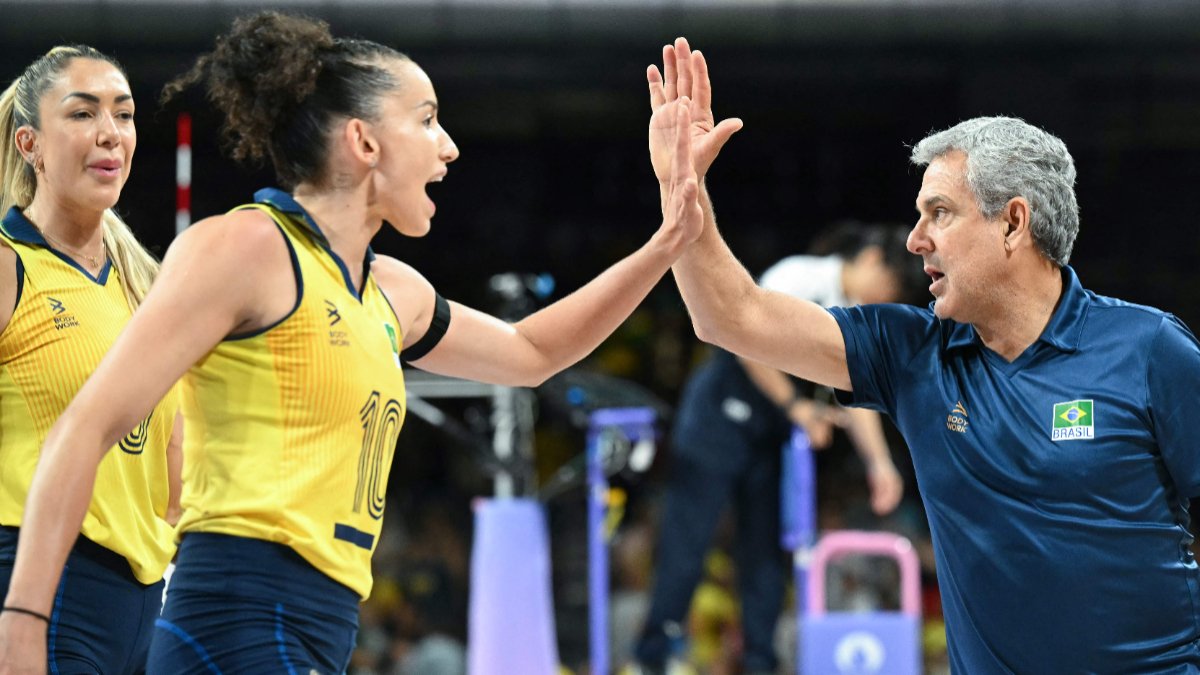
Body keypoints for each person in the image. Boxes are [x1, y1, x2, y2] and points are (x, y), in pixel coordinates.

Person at [0, 12, 707, 674]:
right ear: (364, 142)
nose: (449, 146)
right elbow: (86, 425)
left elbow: (531, 353)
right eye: (427, 120)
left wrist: (667, 240)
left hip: (325, 620)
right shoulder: (246, 246)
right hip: (236, 615)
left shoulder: (391, 288)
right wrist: (24, 617)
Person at [649, 38, 1200, 672]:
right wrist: (681, 191)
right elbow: (730, 316)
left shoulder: (1149, 348)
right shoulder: (910, 352)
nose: (915, 241)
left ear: (1013, 224)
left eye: (939, 213)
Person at [632, 222, 914, 675]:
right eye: (891, 286)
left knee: (764, 552)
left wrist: (880, 464)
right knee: (688, 541)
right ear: (871, 261)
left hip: (769, 431)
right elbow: (745, 340)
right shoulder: (801, 275)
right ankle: (653, 658)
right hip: (717, 416)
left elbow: (856, 390)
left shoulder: (851, 312)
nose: (886, 297)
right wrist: (798, 408)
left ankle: (761, 662)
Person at [0, 46, 183, 674]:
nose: (111, 133)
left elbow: (177, 472)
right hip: (35, 592)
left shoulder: (151, 289)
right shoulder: (8, 266)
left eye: (124, 115)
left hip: (146, 607)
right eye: (82, 114)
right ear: (31, 144)